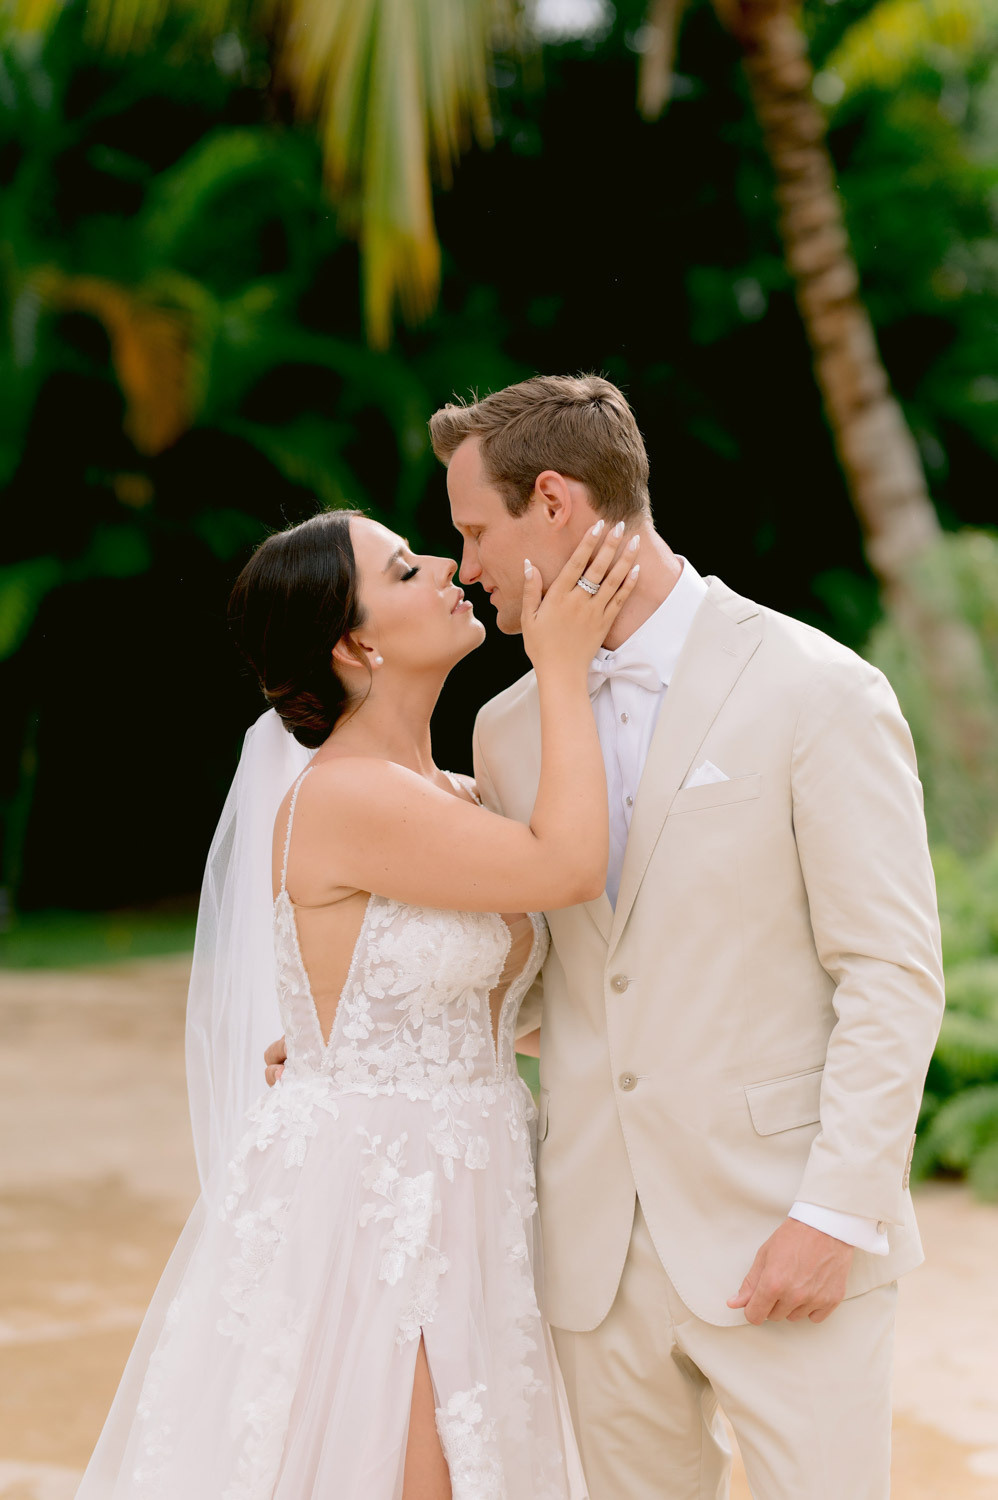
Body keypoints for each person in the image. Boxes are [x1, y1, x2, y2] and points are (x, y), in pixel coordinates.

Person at [269, 374, 945, 1500]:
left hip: (782, 1227)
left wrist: (834, 1213)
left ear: (555, 500)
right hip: (586, 1256)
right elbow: (562, 966)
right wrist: (376, 1031)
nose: (467, 566)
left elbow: (889, 974)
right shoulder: (506, 729)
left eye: (475, 531)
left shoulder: (816, 689)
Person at [74, 505, 641, 1500]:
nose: (442, 568)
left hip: (476, 1181)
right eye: (405, 568)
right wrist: (558, 665)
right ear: (353, 640)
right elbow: (565, 863)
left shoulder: (458, 796)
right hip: (379, 1199)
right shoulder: (345, 794)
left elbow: (508, 1007)